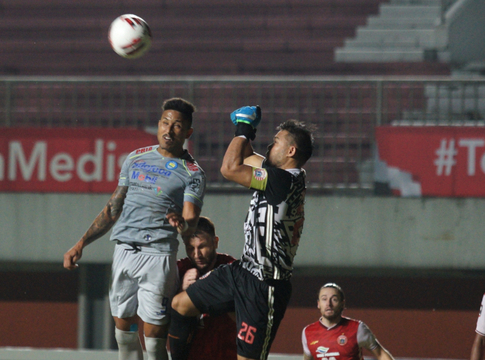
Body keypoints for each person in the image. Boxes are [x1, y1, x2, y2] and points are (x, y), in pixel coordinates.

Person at [63, 97, 206, 360]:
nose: (168, 130)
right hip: (124, 253)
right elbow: (112, 208)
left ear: (188, 132)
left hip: (158, 256)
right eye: (165, 123)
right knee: (123, 335)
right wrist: (80, 244)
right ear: (158, 124)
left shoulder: (192, 172)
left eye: (177, 126)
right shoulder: (136, 158)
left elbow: (191, 221)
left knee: (153, 343)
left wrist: (182, 223)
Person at [168, 105, 315, 360]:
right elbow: (246, 155)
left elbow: (229, 169)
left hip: (264, 287)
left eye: (276, 142)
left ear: (291, 151)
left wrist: (244, 128)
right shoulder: (283, 175)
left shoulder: (282, 181)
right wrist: (246, 135)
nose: (270, 146)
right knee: (181, 306)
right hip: (242, 272)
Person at [176, 216, 237, 360]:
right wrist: (182, 291)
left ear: (215, 243)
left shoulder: (231, 269)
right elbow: (164, 318)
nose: (196, 254)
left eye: (202, 247)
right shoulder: (179, 270)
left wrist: (216, 293)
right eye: (190, 248)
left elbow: (247, 318)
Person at [302, 283, 395, 360]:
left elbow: (380, 354)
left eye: (334, 299)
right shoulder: (308, 332)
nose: (328, 304)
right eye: (324, 299)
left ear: (342, 304)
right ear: (318, 304)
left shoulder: (357, 328)